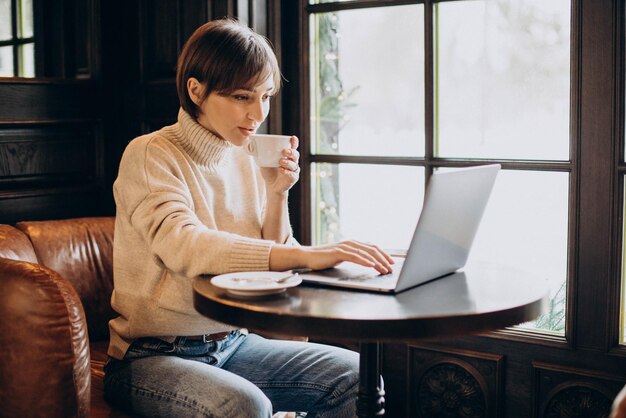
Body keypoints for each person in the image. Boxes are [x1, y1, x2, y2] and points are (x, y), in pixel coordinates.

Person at [103, 18, 394, 418]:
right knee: (245, 406)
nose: (258, 113)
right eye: (243, 97)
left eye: (266, 96)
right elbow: (184, 245)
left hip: (234, 342)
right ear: (196, 90)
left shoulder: (246, 156)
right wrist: (308, 255)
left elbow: (269, 261)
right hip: (151, 357)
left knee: (356, 377)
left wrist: (277, 194)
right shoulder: (149, 154)